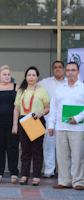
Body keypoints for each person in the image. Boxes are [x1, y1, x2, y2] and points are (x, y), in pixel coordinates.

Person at [48, 62, 84, 190]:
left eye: (73, 70)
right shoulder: (60, 88)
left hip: (78, 128)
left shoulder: (82, 87)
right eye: (68, 70)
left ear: (78, 72)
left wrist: (77, 118)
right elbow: (53, 108)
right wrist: (51, 125)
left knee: (78, 155)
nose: (70, 73)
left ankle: (79, 181)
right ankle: (64, 181)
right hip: (61, 127)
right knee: (62, 156)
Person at [12, 66, 50, 186]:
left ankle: (37, 176)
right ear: (26, 77)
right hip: (24, 121)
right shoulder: (21, 91)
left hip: (36, 120)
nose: (31, 77)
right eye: (29, 75)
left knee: (37, 150)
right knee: (25, 150)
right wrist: (15, 124)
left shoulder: (42, 90)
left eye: (34, 75)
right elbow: (17, 108)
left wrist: (41, 113)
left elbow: (48, 107)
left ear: (37, 77)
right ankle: (24, 175)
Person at [37, 61, 67, 178]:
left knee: (65, 148)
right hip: (50, 119)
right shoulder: (45, 82)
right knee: (49, 146)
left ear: (64, 69)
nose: (57, 69)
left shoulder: (69, 83)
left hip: (66, 120)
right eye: (55, 67)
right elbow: (32, 86)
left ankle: (68, 173)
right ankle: (49, 170)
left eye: (60, 67)